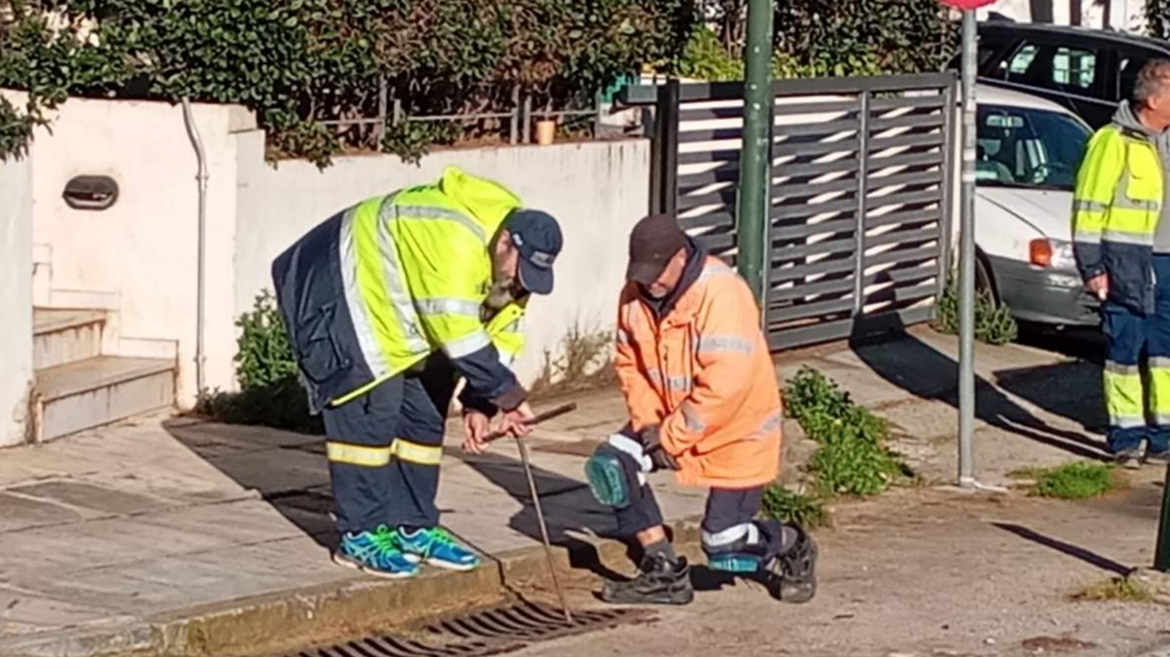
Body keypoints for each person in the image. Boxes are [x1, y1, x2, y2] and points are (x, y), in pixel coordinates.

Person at [271, 166, 563, 578]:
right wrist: (509, 398)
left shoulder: (513, 268)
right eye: (520, 270)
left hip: (404, 313)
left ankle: (414, 525)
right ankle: (361, 534)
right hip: (342, 292)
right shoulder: (455, 238)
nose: (520, 282)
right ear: (504, 243)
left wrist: (480, 402)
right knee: (370, 416)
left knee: (425, 415)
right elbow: (459, 333)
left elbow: (502, 330)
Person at [583, 213, 817, 605]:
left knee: (725, 548)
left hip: (737, 431)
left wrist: (670, 437)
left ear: (680, 256)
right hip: (671, 421)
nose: (649, 281)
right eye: (641, 272)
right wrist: (649, 425)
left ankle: (793, 544)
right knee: (612, 466)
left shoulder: (722, 292)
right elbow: (631, 366)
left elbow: (726, 385)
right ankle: (662, 572)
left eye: (657, 271)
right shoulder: (635, 294)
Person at [1074, 59, 1170, 469]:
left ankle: (1164, 436)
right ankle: (1127, 439)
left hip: (1167, 265)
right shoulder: (1111, 142)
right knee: (1124, 352)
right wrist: (1092, 267)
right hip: (1127, 265)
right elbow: (1087, 209)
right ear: (1153, 99)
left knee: (1165, 354)